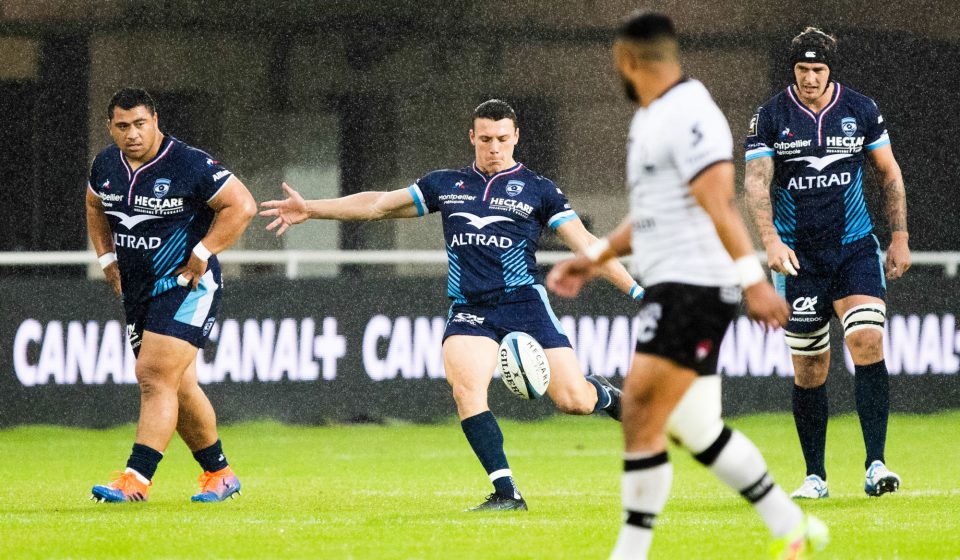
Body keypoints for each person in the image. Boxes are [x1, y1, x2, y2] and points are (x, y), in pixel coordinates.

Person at [259, 99, 644, 511]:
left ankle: (602, 394)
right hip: (470, 308)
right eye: (485, 139)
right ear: (472, 138)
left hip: (524, 304)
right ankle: (506, 493)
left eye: (501, 139)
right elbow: (377, 204)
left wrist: (638, 292)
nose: (493, 147)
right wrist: (311, 209)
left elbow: (587, 244)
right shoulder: (447, 184)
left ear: (515, 137)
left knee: (574, 401)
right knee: (466, 391)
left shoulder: (539, 190)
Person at [547, 13, 827, 559]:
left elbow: (718, 201)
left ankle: (629, 552)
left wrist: (754, 282)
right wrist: (594, 257)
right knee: (695, 426)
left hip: (697, 283)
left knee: (639, 411)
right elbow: (650, 214)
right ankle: (794, 526)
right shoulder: (648, 120)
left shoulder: (691, 112)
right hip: (671, 282)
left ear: (630, 59)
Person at [744, 27, 909, 499]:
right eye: (802, 70)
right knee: (811, 368)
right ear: (792, 70)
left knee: (868, 340)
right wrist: (771, 242)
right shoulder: (771, 116)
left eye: (818, 69)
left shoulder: (861, 109)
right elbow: (757, 181)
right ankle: (815, 476)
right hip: (798, 258)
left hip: (855, 247)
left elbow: (889, 172)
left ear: (831, 70)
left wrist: (899, 237)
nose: (810, 78)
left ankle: (876, 465)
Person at [86, 88, 257, 503]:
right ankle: (220, 474)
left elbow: (243, 205)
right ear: (111, 127)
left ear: (156, 121)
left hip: (187, 286)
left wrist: (202, 252)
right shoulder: (106, 164)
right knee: (177, 387)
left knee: (153, 376)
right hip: (140, 291)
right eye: (123, 126)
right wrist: (107, 257)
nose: (132, 134)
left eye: (140, 124)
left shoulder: (189, 163)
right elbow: (95, 205)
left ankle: (136, 479)